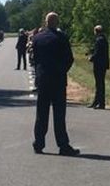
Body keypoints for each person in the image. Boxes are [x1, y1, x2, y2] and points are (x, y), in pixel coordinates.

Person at [31, 13, 80, 156]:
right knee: (59, 115)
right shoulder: (62, 38)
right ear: (57, 22)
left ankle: (38, 143)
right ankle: (63, 145)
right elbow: (69, 59)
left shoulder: (37, 38)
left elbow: (35, 59)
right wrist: (61, 71)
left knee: (41, 113)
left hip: (43, 79)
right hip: (57, 80)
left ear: (46, 22)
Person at [88, 25, 109, 109]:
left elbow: (98, 53)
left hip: (99, 65)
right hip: (103, 64)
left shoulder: (99, 40)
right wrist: (91, 51)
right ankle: (98, 102)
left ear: (96, 31)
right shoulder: (103, 39)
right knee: (100, 83)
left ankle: (100, 103)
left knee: (99, 84)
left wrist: (91, 58)